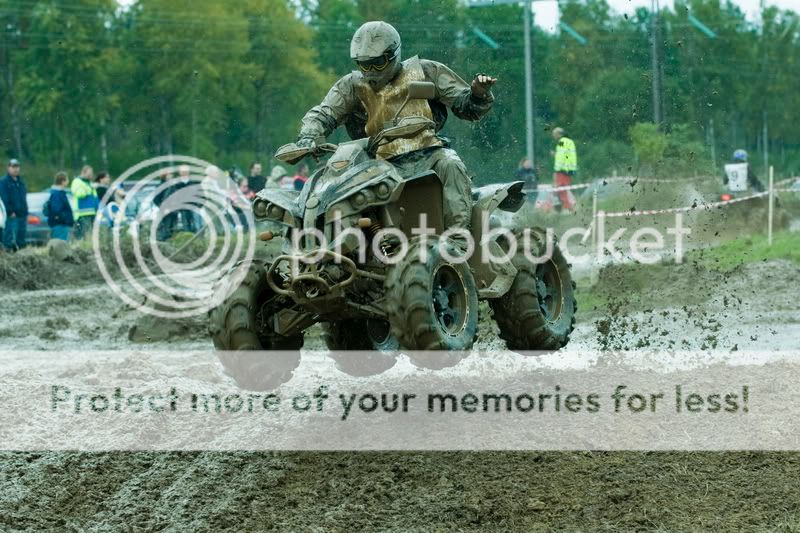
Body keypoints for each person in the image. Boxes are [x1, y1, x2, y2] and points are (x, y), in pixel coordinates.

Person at [294, 20, 496, 234]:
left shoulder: (426, 70)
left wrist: (478, 93)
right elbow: (324, 112)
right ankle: (328, 243)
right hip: (375, 161)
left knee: (451, 164)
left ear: (393, 55)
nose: (371, 71)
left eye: (378, 63)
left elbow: (465, 105)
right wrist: (309, 135)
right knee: (334, 185)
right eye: (364, 64)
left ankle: (457, 237)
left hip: (427, 154)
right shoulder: (351, 85)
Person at [0, 159, 28, 251]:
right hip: (11, 215)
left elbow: (23, 198)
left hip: (22, 214)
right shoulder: (4, 182)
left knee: (21, 238)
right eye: (13, 167)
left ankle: (22, 255)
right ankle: (9, 254)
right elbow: (4, 199)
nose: (15, 169)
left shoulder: (21, 182)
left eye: (17, 167)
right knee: (9, 238)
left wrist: (25, 211)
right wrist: (10, 211)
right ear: (8, 168)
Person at [551, 127, 577, 212]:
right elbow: (567, 155)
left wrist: (556, 170)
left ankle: (569, 209)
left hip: (562, 170)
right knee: (564, 191)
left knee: (560, 191)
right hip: (569, 170)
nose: (554, 137)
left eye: (554, 135)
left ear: (558, 134)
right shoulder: (570, 141)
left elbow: (560, 157)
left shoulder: (562, 142)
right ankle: (570, 208)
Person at [71, 165, 99, 239]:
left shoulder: (89, 183)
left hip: (92, 212)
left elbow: (95, 198)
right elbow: (80, 194)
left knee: (91, 235)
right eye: (89, 173)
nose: (91, 175)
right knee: (83, 235)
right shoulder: (77, 182)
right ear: (83, 172)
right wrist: (90, 188)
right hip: (82, 213)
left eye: (92, 173)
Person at [46, 172, 74, 241]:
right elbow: (56, 210)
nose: (68, 182)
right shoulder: (57, 194)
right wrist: (65, 218)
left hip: (62, 224)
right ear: (62, 182)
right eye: (67, 180)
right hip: (60, 225)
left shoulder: (59, 193)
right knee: (60, 245)